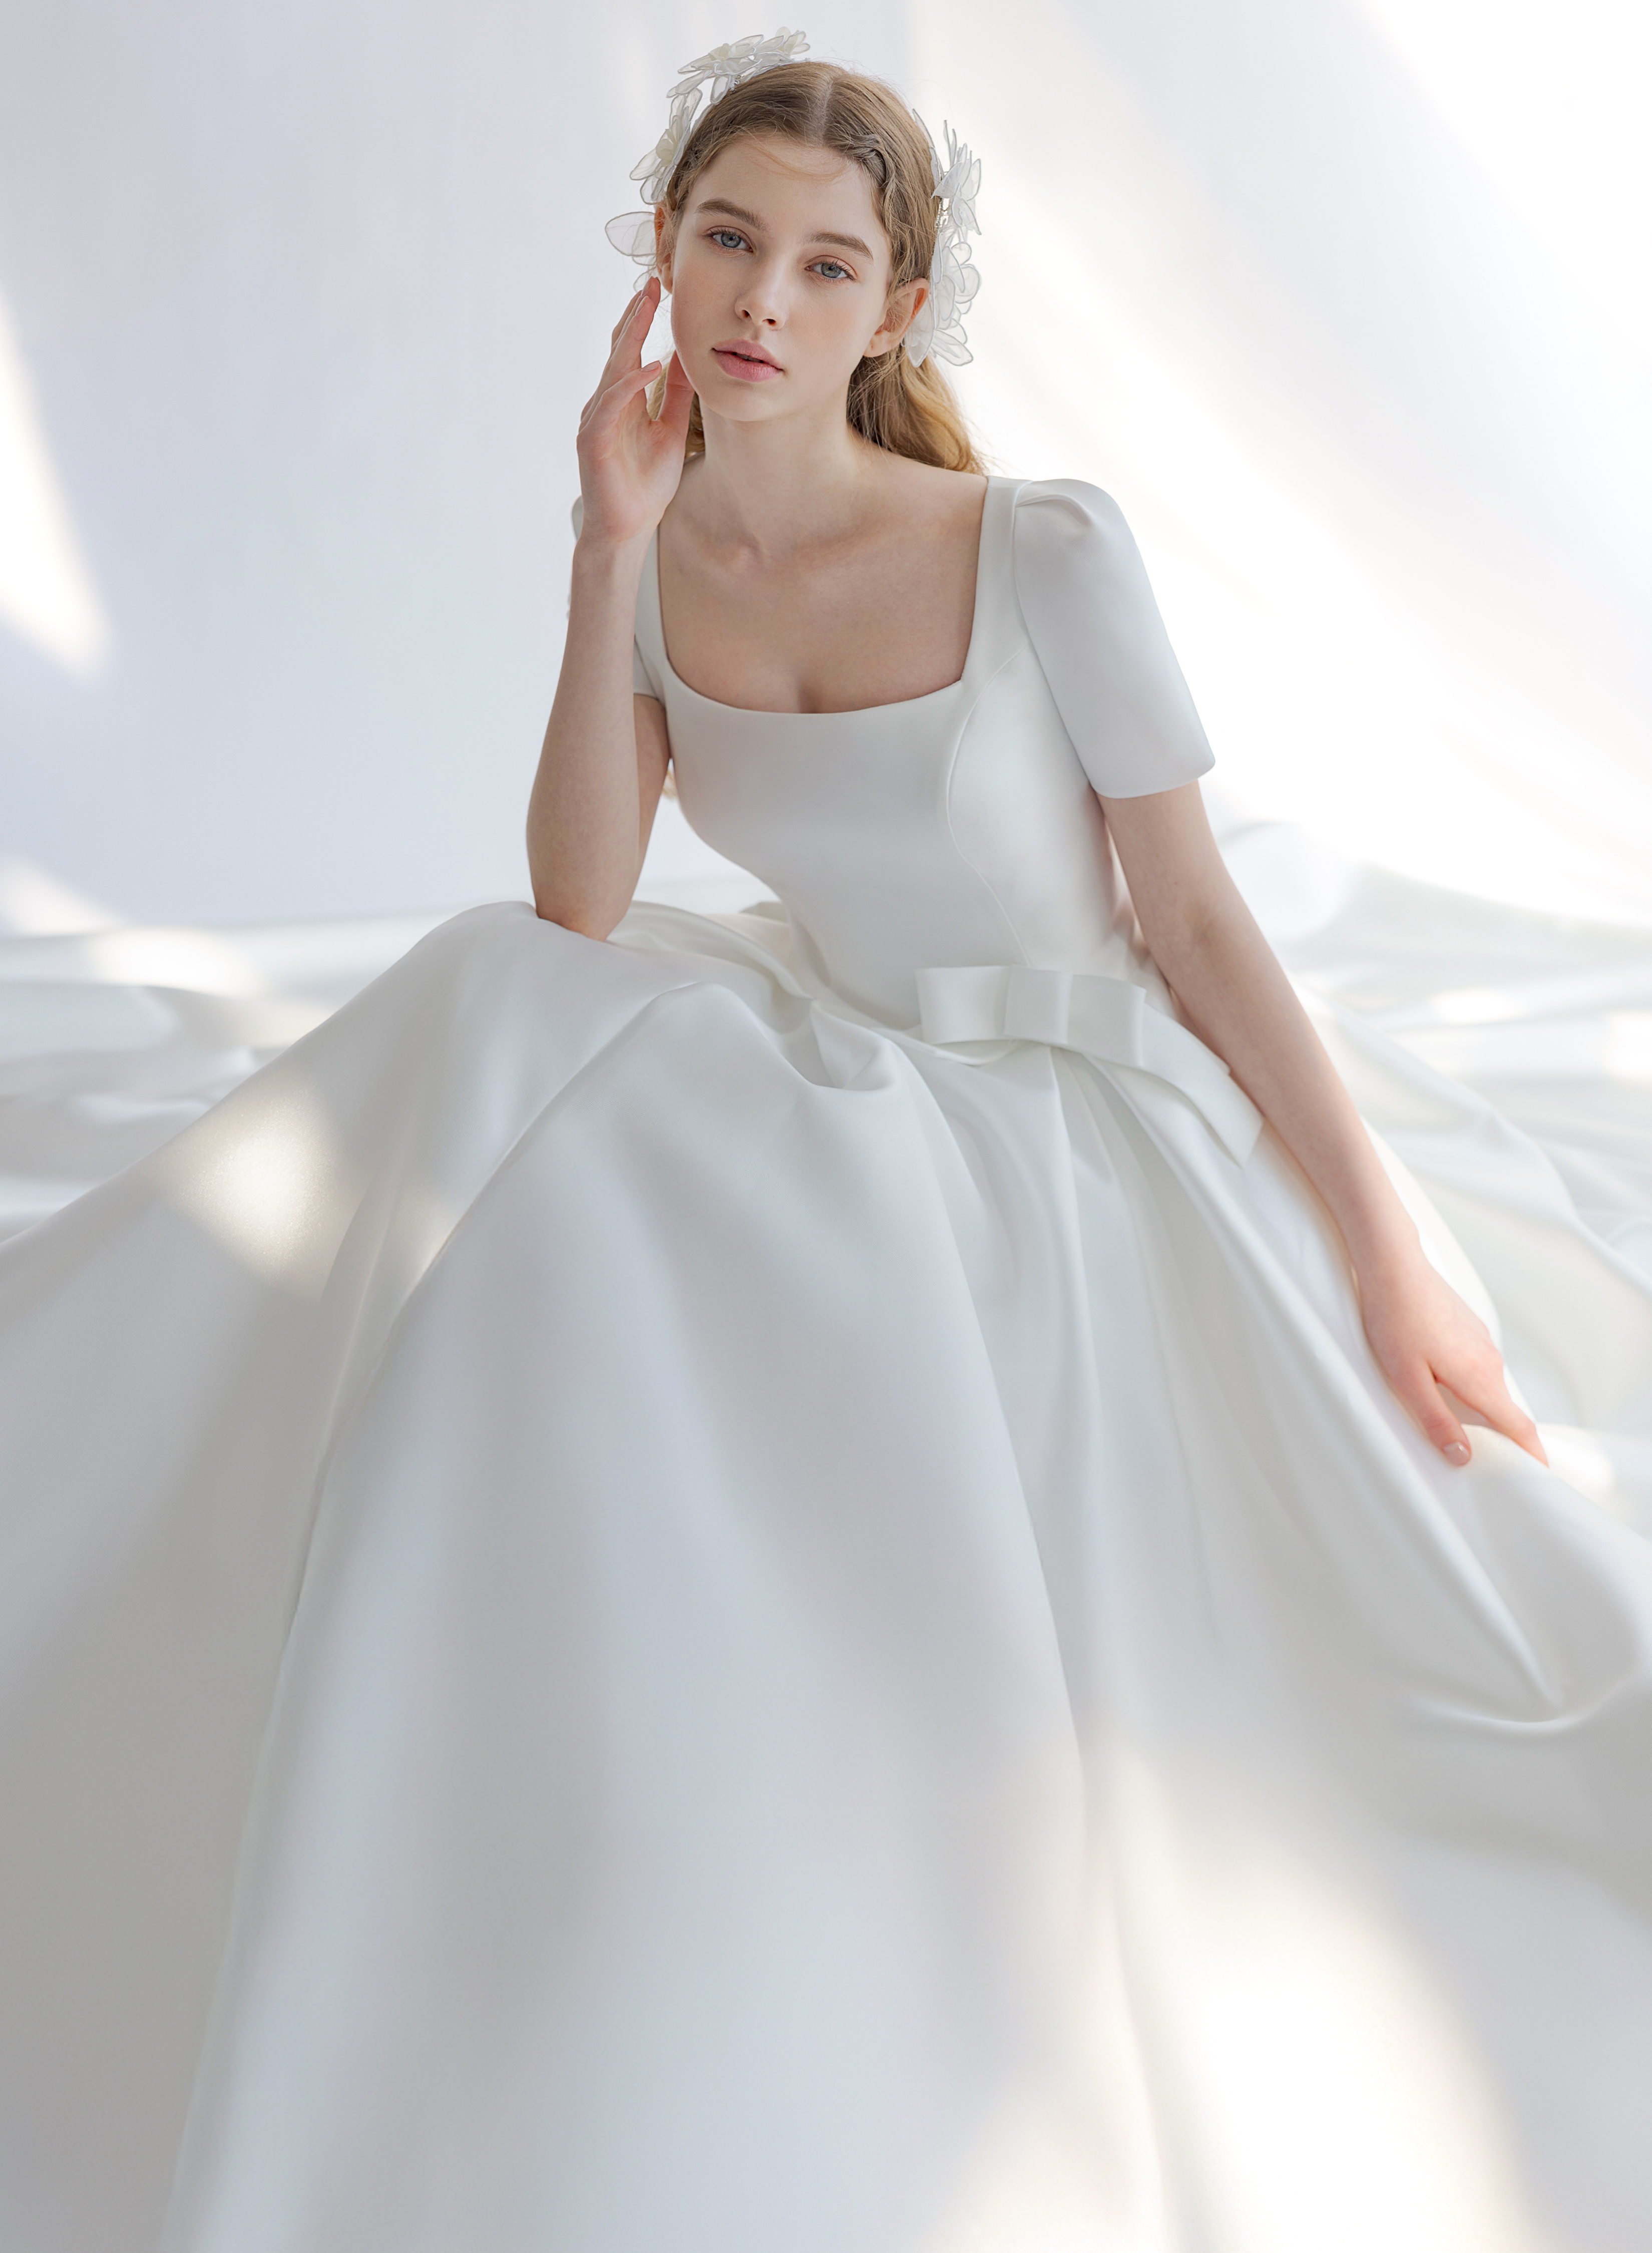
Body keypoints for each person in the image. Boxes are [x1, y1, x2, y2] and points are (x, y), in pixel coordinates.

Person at [1, 33, 1650, 2253]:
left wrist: (1379, 1243)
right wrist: (606, 544)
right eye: (726, 240)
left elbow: (1194, 923)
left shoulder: (1044, 549)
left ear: (901, 307)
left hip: (1078, 1107)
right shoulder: (657, 536)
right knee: (500, 1010)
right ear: (662, 254)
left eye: (825, 264)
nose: (763, 301)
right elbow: (578, 899)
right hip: (841, 1060)